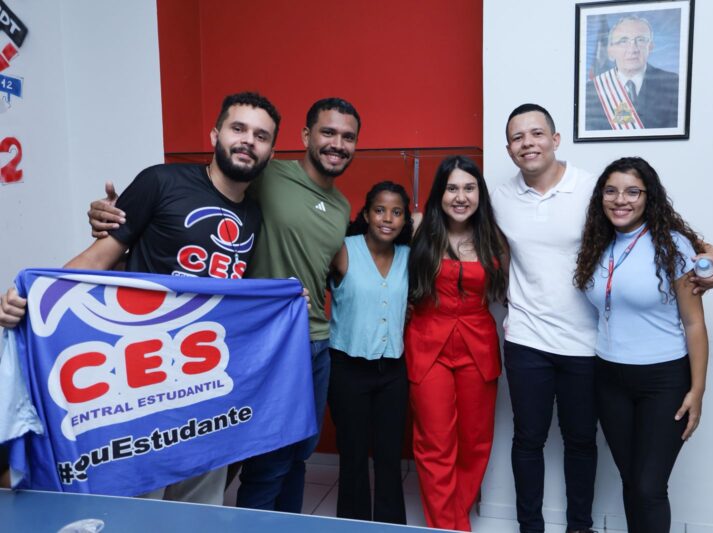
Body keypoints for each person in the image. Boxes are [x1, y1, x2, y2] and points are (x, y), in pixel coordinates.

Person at [0, 91, 281, 504]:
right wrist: (28, 297)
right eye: (238, 128)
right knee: (140, 499)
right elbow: (97, 259)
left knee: (199, 504)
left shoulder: (253, 215)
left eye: (261, 135)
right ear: (214, 134)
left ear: (270, 152)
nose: (248, 141)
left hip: (206, 376)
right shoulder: (160, 181)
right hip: (144, 375)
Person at [86, 96, 360, 512]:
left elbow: (326, 262)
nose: (337, 144)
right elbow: (124, 244)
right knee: (250, 462)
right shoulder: (262, 176)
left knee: (281, 456)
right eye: (328, 132)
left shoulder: (334, 206)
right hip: (214, 348)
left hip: (289, 342)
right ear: (305, 136)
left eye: (347, 137)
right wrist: (112, 216)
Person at [491, 103, 713, 533]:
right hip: (533, 341)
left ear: (555, 139)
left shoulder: (594, 189)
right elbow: (466, 227)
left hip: (588, 346)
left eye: (537, 133)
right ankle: (530, 527)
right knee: (531, 441)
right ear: (508, 148)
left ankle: (579, 527)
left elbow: (669, 234)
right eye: (517, 137)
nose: (528, 143)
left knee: (587, 446)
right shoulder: (500, 196)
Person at [573, 157, 708, 533]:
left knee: (650, 487)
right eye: (611, 191)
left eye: (633, 192)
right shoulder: (597, 243)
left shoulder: (673, 245)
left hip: (663, 380)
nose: (621, 200)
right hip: (609, 377)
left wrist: (697, 390)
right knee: (632, 480)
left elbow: (694, 323)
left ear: (649, 197)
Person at [405, 155, 507, 531]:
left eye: (469, 188)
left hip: (478, 346)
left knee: (475, 442)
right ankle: (449, 527)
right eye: (452, 188)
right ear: (440, 193)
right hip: (427, 344)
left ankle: (454, 519)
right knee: (434, 443)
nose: (460, 197)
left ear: (480, 193)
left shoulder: (494, 238)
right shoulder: (418, 228)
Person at [326, 181, 413, 524]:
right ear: (365, 214)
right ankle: (354, 525)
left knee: (390, 457)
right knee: (353, 456)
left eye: (396, 212)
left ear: (405, 219)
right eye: (379, 210)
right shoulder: (343, 249)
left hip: (392, 372)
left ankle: (392, 527)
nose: (387, 219)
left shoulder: (408, 255)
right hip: (347, 370)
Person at [586, 15, 679, 131]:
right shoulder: (590, 91)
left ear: (650, 47)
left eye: (640, 40)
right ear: (610, 50)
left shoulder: (673, 84)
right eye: (623, 41)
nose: (632, 49)